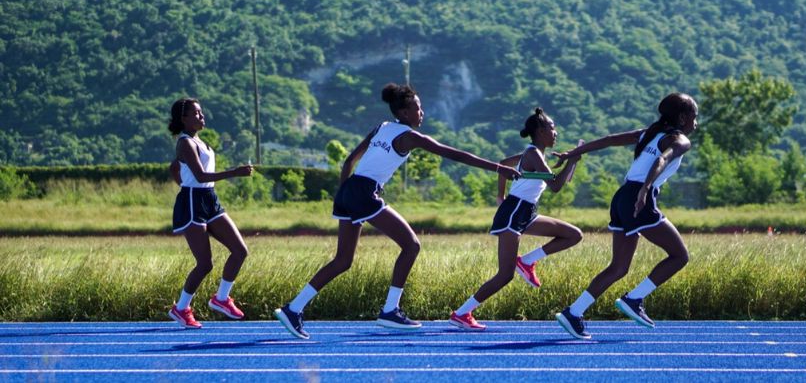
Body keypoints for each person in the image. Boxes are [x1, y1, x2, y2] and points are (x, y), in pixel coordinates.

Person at [274, 83, 521, 339]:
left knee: (343, 261)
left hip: (348, 190)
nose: (421, 112)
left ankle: (293, 309)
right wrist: (498, 168)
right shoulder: (409, 136)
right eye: (417, 107)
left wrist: (344, 195)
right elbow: (453, 154)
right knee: (412, 245)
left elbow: (349, 161)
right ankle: (390, 310)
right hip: (364, 192)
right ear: (403, 113)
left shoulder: (381, 127)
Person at [553, 93, 698, 339]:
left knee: (619, 267)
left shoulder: (649, 134)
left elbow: (608, 140)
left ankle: (573, 312)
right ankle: (635, 299)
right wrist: (645, 189)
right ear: (683, 118)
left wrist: (572, 153)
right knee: (679, 256)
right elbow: (663, 159)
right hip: (638, 197)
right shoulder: (680, 140)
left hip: (622, 196)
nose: (696, 124)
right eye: (695, 118)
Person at [449, 108, 583, 331]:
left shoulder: (532, 154)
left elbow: (502, 164)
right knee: (505, 275)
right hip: (514, 212)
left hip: (526, 212)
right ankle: (462, 313)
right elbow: (556, 186)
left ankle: (528, 260)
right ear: (540, 131)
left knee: (573, 234)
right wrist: (571, 161)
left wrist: (501, 195)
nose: (556, 132)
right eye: (552, 128)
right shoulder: (533, 154)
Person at [166, 97, 254, 329]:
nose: (202, 117)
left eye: (201, 112)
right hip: (193, 201)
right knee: (205, 264)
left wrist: (179, 174)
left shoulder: (199, 142)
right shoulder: (185, 143)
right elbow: (201, 176)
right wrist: (235, 172)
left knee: (240, 250)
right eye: (196, 113)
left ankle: (222, 298)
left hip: (209, 199)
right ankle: (181, 308)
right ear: (184, 118)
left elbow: (175, 167)